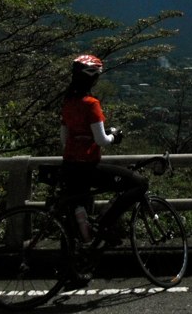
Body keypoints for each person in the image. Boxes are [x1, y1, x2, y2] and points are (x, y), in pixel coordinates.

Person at [60, 54, 147, 244]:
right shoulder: (91, 104)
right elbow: (101, 140)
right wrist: (114, 136)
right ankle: (103, 226)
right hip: (88, 166)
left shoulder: (68, 102)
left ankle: (84, 234)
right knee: (139, 183)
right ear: (93, 78)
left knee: (78, 206)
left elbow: (64, 138)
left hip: (69, 165)